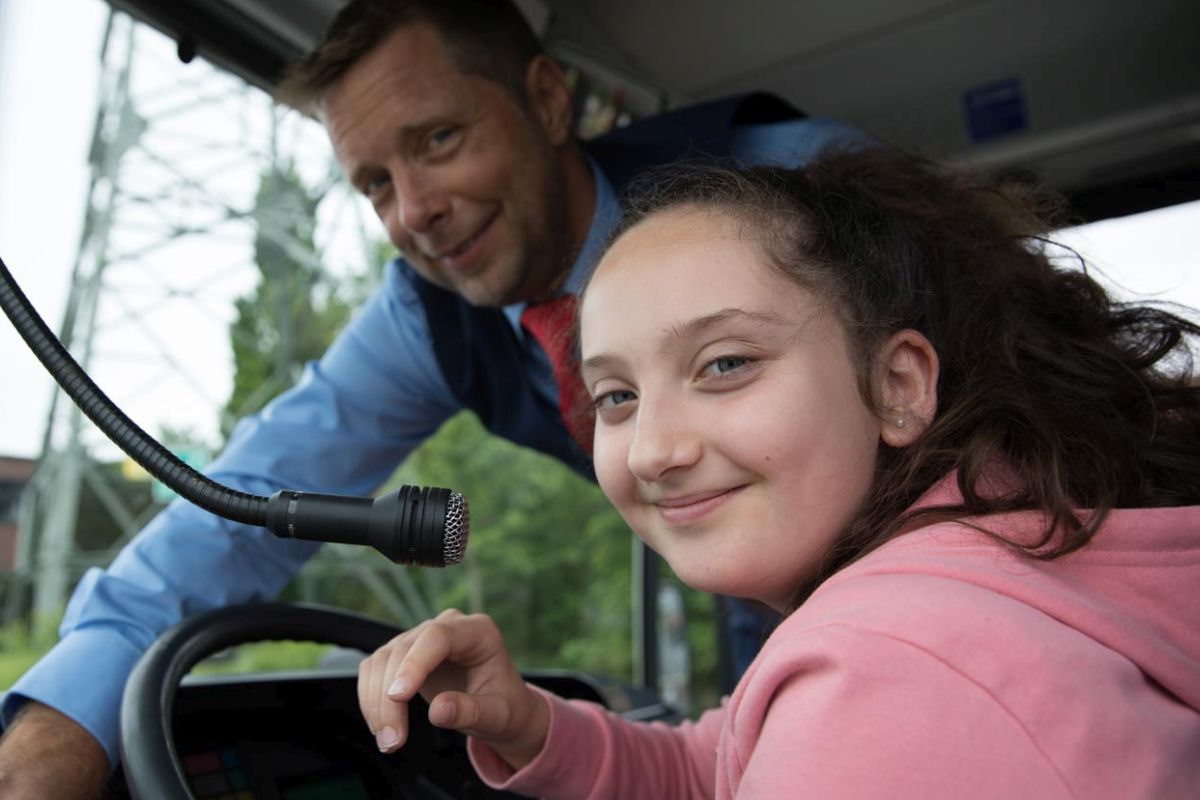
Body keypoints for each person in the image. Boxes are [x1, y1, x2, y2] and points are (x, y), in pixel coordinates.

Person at [0, 0, 862, 796]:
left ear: (548, 102)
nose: (415, 213)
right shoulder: (427, 314)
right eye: (375, 183)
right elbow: (237, 513)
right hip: (762, 663)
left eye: (440, 139)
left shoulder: (805, 189)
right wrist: (53, 737)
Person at [356, 148, 1200, 798]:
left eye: (724, 365)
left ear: (898, 386)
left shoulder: (889, 669)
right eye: (615, 397)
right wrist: (535, 726)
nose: (653, 451)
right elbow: (719, 765)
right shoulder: (1003, 562)